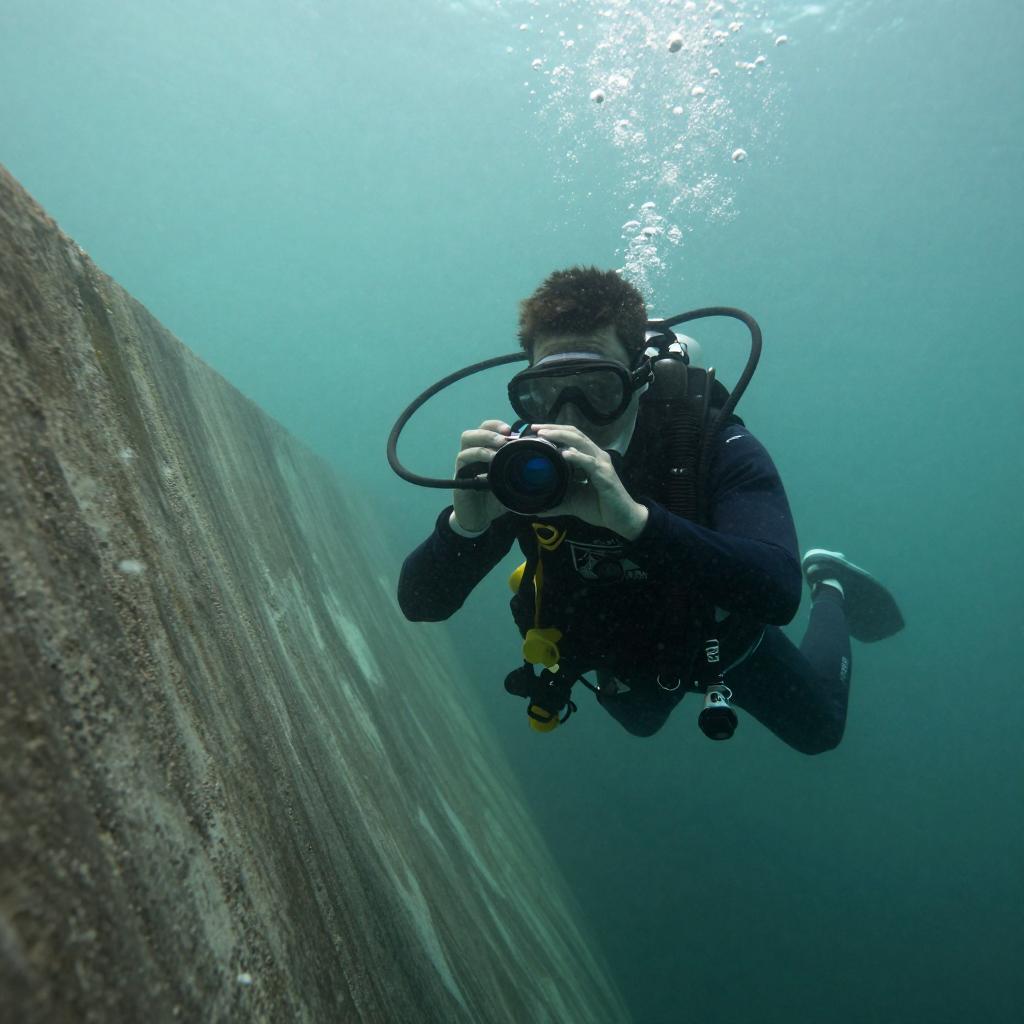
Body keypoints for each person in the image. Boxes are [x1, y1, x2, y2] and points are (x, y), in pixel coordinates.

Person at [397, 267, 903, 753]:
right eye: (547, 392)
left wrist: (634, 522)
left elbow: (776, 593)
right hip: (609, 650)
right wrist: (466, 526)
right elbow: (421, 603)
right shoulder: (524, 467)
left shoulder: (711, 443)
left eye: (599, 390)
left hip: (716, 641)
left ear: (638, 377)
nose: (571, 416)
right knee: (640, 722)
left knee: (821, 730)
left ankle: (831, 582)